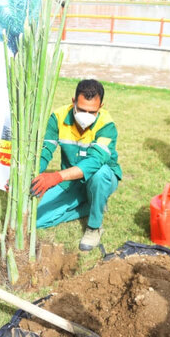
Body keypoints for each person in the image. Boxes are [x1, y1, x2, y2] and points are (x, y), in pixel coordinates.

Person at [31, 79, 122, 251]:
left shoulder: (107, 125)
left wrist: (56, 177)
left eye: (92, 111)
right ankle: (91, 205)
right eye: (81, 109)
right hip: (71, 180)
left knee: (99, 173)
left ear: (101, 106)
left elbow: (94, 163)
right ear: (73, 101)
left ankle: (94, 227)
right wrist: (30, 176)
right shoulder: (57, 117)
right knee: (36, 221)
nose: (85, 115)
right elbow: (45, 151)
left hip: (101, 178)